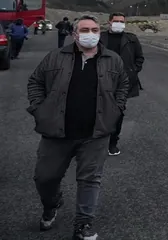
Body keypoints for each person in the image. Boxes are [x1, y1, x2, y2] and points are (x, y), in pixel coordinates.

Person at [26, 15, 130, 240]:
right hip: (57, 132)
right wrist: (39, 108)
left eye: (94, 30)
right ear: (74, 34)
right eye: (84, 30)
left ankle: (83, 225)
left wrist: (116, 109)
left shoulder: (113, 60)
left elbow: (123, 85)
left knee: (90, 180)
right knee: (45, 178)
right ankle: (52, 204)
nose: (90, 34)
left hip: (95, 133)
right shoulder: (55, 57)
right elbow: (35, 81)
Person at [99, 12, 145, 156]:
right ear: (109, 22)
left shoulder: (131, 39)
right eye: (116, 20)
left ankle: (113, 142)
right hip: (101, 80)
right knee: (97, 110)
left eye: (121, 21)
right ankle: (94, 141)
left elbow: (139, 58)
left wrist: (132, 72)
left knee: (117, 112)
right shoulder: (100, 37)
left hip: (122, 83)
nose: (119, 23)